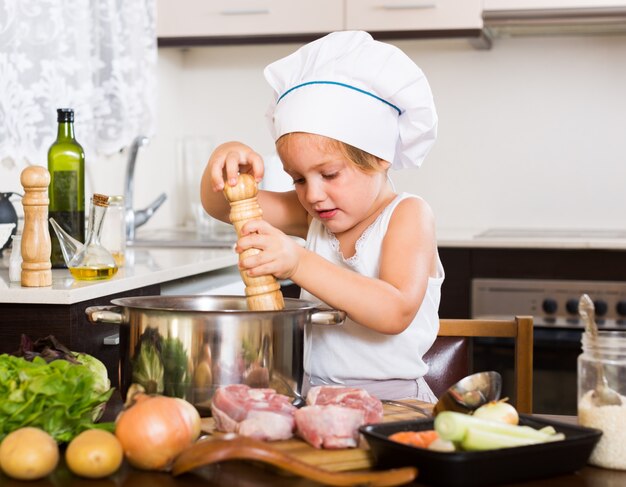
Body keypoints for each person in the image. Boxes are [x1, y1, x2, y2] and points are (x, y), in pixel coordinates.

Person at [201, 31, 444, 401]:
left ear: (380, 157)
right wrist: (226, 154)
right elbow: (221, 206)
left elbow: (394, 312)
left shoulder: (408, 215)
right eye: (298, 178)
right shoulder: (314, 215)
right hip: (312, 397)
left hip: (395, 402)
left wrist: (298, 262)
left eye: (329, 174)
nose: (312, 194)